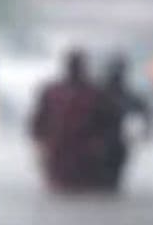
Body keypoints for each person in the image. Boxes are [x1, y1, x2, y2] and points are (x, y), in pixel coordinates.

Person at [29, 49, 111, 193]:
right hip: (59, 150)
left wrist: (100, 145)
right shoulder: (52, 92)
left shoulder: (95, 93)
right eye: (73, 65)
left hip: (85, 152)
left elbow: (107, 123)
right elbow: (39, 120)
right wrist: (40, 145)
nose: (75, 69)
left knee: (85, 188)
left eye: (78, 65)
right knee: (60, 187)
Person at [97, 54, 153, 191]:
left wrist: (146, 132)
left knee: (109, 185)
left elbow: (146, 112)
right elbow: (146, 112)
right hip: (101, 145)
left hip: (114, 146)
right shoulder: (98, 94)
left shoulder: (124, 96)